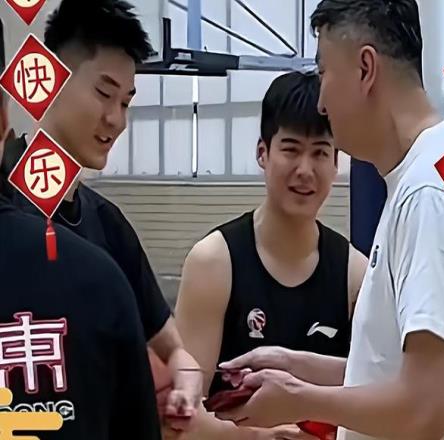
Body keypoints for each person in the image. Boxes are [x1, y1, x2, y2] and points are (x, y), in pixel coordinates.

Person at [216, 1, 444, 440]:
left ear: (366, 69)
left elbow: (427, 408)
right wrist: (296, 366)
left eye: (324, 72)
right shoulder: (432, 176)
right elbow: (393, 374)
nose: (321, 102)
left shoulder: (428, 195)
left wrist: (300, 399)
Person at [0, 0, 202, 432]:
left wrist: (185, 387)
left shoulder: (108, 226)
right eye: (104, 93)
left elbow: (176, 352)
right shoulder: (9, 203)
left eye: (126, 102)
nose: (116, 119)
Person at [173, 71, 368, 440]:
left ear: (336, 163)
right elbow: (182, 417)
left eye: (320, 153)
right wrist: (262, 437)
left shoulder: (355, 274)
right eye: (291, 149)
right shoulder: (213, 263)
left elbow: (372, 395)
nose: (305, 170)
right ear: (262, 153)